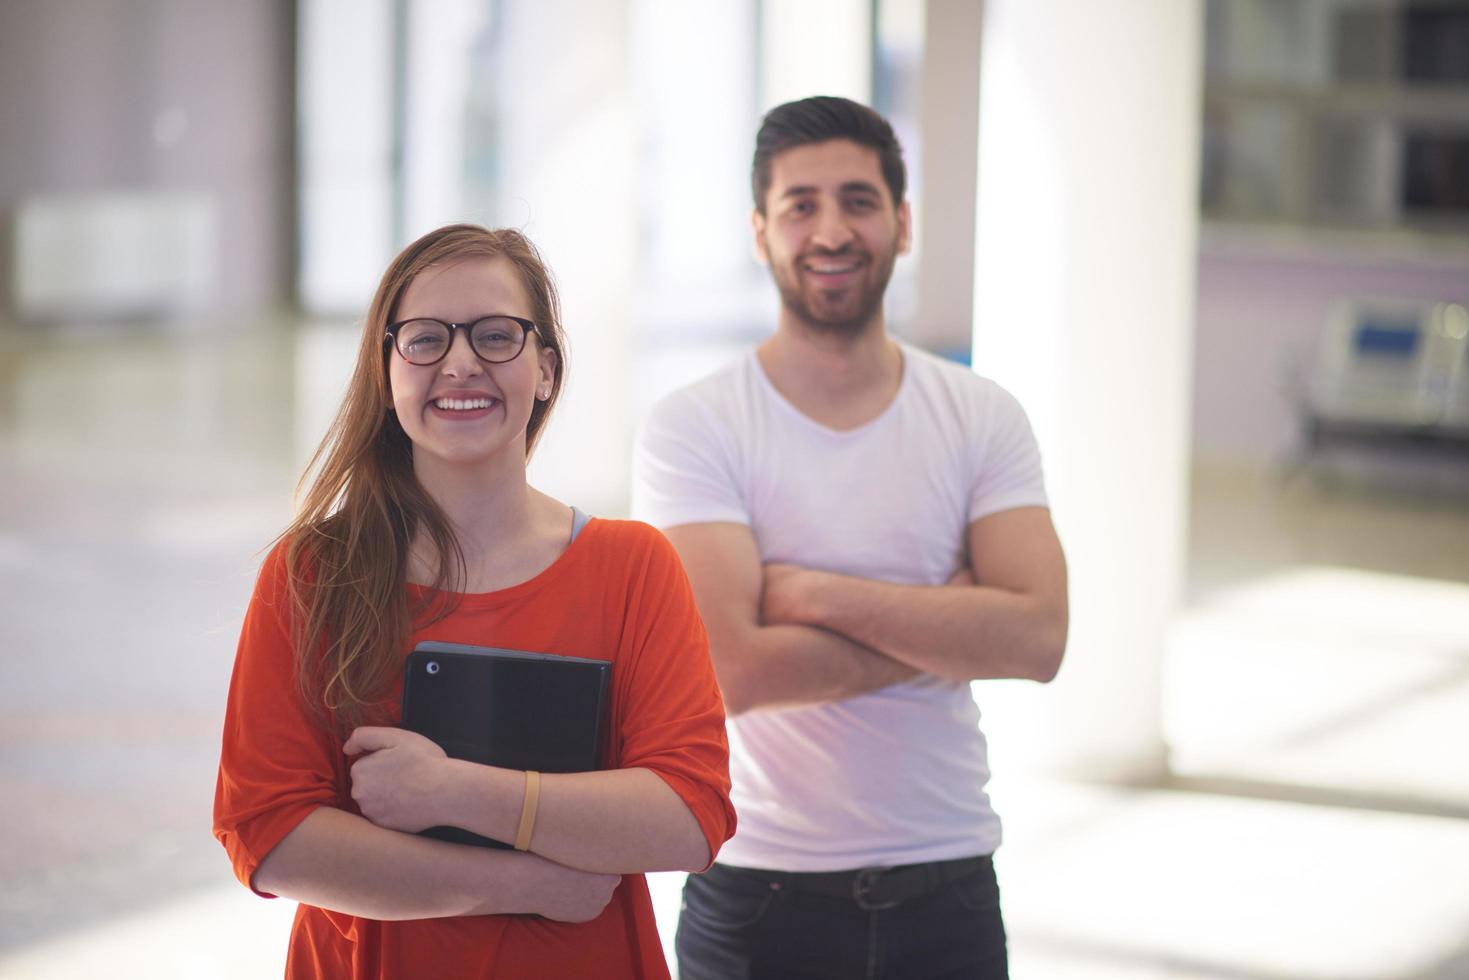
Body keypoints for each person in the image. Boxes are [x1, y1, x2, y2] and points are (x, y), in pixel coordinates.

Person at [214, 224, 735, 979]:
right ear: (387, 373)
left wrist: (450, 790)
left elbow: (689, 818)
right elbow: (267, 834)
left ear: (546, 370)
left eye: (496, 336)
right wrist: (524, 884)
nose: (460, 363)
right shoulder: (314, 572)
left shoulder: (632, 566)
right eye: (425, 340)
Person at [631, 97, 1068, 979]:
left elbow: (1036, 638)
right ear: (761, 232)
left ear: (901, 224)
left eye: (859, 201)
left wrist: (813, 595)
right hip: (757, 889)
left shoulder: (979, 415)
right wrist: (948, 624)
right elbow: (732, 673)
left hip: (946, 879)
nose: (831, 230)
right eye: (800, 205)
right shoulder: (695, 425)